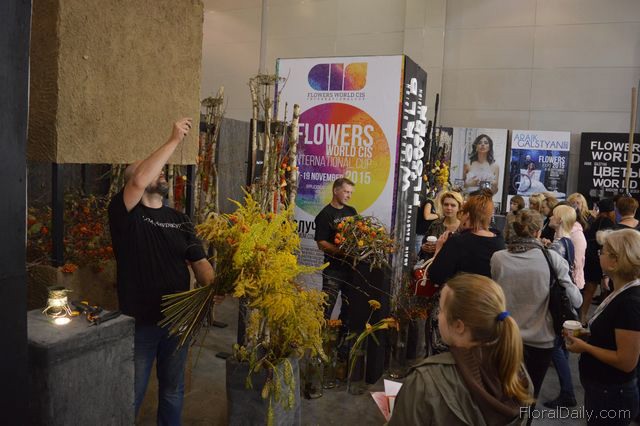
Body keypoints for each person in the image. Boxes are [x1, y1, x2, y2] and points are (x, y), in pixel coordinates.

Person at [108, 118, 222, 424]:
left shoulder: (180, 219)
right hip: (141, 322)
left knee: (173, 390)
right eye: (153, 169)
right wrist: (173, 140)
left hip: (177, 322)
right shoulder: (125, 214)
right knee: (131, 393)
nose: (162, 172)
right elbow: (137, 181)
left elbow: (199, 262)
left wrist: (214, 287)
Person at [388, 274, 534, 426]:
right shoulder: (518, 375)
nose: (438, 316)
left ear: (459, 326)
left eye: (441, 310)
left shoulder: (424, 382)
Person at [491, 209, 582, 398]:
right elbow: (576, 300)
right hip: (541, 341)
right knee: (530, 396)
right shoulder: (552, 259)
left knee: (503, 394)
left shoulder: (498, 258)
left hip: (506, 337)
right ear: (538, 232)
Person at [567, 229, 640, 425]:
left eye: (603, 251)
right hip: (604, 388)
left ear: (615, 261)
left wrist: (585, 347)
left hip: (612, 392)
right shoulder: (619, 290)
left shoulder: (630, 302)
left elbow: (626, 361)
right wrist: (586, 335)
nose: (599, 254)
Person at [426, 189, 505, 355]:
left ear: (467, 214)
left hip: (458, 309)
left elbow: (436, 275)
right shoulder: (499, 242)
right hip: (487, 309)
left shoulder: (459, 242)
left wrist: (439, 250)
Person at [543, 204, 585, 408]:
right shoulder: (567, 242)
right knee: (561, 346)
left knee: (555, 347)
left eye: (553, 215)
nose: (550, 217)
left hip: (557, 300)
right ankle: (567, 390)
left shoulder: (557, 246)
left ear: (559, 220)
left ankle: (567, 392)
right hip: (565, 299)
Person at [314, 178, 357, 323]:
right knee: (326, 308)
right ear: (335, 191)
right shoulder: (325, 214)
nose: (349, 196)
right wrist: (342, 252)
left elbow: (358, 235)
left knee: (349, 309)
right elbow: (321, 243)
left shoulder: (351, 211)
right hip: (333, 270)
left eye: (350, 193)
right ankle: (319, 335)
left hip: (351, 270)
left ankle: (342, 336)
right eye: (346, 192)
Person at [581, 198, 616, 324]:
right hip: (597, 259)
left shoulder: (594, 220)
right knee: (592, 289)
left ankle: (583, 315)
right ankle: (584, 317)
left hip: (589, 256)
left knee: (589, 289)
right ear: (609, 211)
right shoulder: (607, 222)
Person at [418, 189, 463, 260]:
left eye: (453, 205)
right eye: (446, 204)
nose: (449, 208)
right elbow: (424, 244)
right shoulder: (436, 224)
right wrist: (424, 248)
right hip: (432, 264)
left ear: (459, 208)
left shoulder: (463, 227)